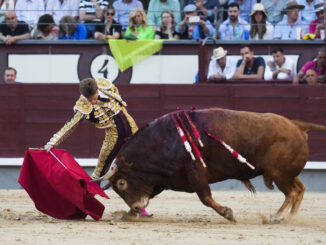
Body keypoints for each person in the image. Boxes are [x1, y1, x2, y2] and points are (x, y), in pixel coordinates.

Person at [43, 77, 152, 217]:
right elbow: (70, 125)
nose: (93, 102)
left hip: (131, 129)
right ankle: (82, 207)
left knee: (138, 169)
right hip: (113, 137)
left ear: (97, 90)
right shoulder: (83, 105)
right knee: (99, 172)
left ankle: (139, 208)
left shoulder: (105, 85)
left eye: (94, 98)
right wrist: (53, 142)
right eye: (89, 100)